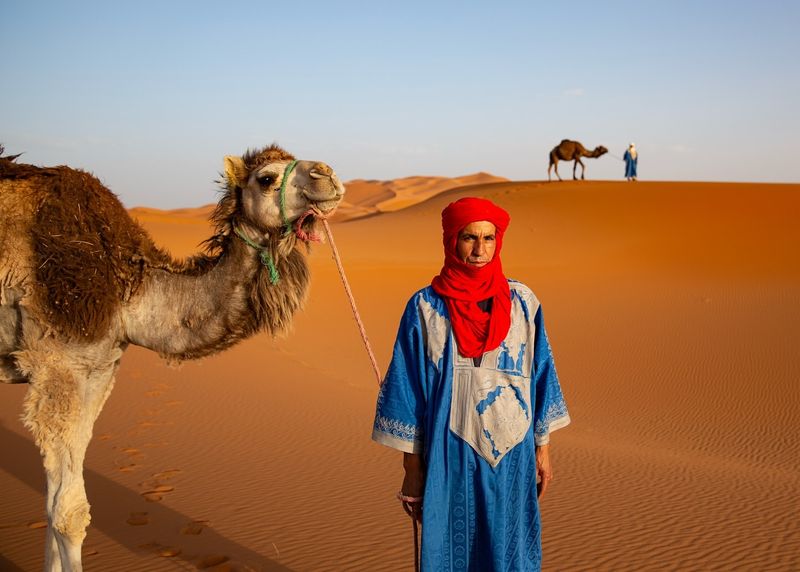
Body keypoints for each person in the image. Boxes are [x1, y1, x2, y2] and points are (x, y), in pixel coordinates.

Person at [372, 197, 570, 571]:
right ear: (451, 239)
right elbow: (408, 393)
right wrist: (412, 474)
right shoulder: (425, 308)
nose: (480, 250)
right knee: (451, 552)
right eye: (469, 238)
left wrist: (542, 450)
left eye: (489, 238)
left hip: (513, 455)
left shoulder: (523, 303)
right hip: (450, 457)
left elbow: (541, 374)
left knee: (511, 553)